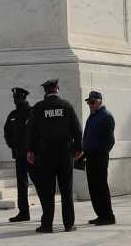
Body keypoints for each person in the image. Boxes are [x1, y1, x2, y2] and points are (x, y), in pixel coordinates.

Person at [26, 78, 81, 233]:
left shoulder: (38, 108)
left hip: (45, 155)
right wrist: (79, 147)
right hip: (65, 154)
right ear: (57, 89)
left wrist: (31, 151)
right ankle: (69, 224)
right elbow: (76, 128)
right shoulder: (66, 106)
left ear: (46, 91)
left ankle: (47, 225)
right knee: (66, 190)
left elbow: (31, 132)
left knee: (47, 191)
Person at [81, 91, 116, 226]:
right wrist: (83, 153)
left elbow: (110, 141)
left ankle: (108, 216)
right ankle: (100, 214)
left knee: (100, 187)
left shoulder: (106, 116)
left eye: (92, 102)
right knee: (93, 188)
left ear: (100, 101)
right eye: (88, 102)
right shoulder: (93, 116)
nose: (90, 105)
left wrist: (100, 153)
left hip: (99, 157)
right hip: (90, 156)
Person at [3, 87, 33, 222]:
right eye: (14, 98)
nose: (15, 100)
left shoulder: (32, 112)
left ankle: (47, 211)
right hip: (19, 155)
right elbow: (7, 132)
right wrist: (12, 145)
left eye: (18, 98)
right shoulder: (12, 115)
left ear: (23, 98)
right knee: (22, 184)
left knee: (40, 182)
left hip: (32, 154)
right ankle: (24, 212)